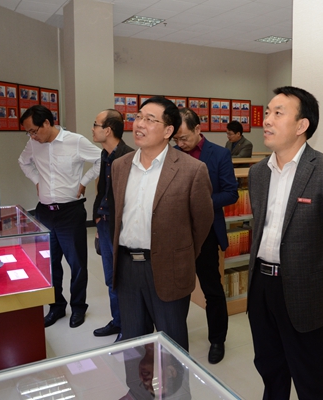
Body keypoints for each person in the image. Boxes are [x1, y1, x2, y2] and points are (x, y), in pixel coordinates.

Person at [247, 86, 323, 399]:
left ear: (301, 125)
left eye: (278, 113)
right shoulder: (258, 173)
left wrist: (314, 275)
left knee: (311, 376)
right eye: (267, 112)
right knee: (270, 368)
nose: (267, 120)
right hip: (261, 287)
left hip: (304, 291)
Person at [111, 96, 213, 351]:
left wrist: (181, 254)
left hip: (169, 268)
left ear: (168, 131)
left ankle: (174, 381)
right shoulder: (120, 166)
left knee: (172, 348)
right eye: (138, 117)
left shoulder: (192, 170)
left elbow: (202, 223)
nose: (139, 124)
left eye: (149, 119)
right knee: (134, 345)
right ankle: (138, 380)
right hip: (126, 267)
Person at [18, 105, 101, 329]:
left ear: (46, 123)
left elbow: (101, 159)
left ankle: (78, 307)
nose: (32, 136)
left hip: (70, 213)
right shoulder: (33, 144)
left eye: (34, 131)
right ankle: (56, 307)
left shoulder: (75, 141)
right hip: (45, 212)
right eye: (28, 133)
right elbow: (23, 161)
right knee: (48, 263)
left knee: (77, 263)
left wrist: (83, 181)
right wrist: (37, 180)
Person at [172, 108, 239, 363]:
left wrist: (199, 203)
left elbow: (231, 193)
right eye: (176, 139)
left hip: (206, 232)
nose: (180, 143)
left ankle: (217, 340)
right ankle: (175, 338)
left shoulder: (219, 154)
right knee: (177, 289)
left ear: (198, 129)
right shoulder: (172, 154)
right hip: (178, 234)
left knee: (212, 288)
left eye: (184, 137)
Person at [91, 109, 134, 341]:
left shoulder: (129, 156)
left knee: (124, 279)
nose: (92, 129)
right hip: (104, 223)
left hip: (121, 228)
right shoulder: (104, 154)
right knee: (110, 278)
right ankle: (117, 321)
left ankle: (129, 326)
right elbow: (102, 189)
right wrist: (98, 216)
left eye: (95, 125)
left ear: (108, 130)